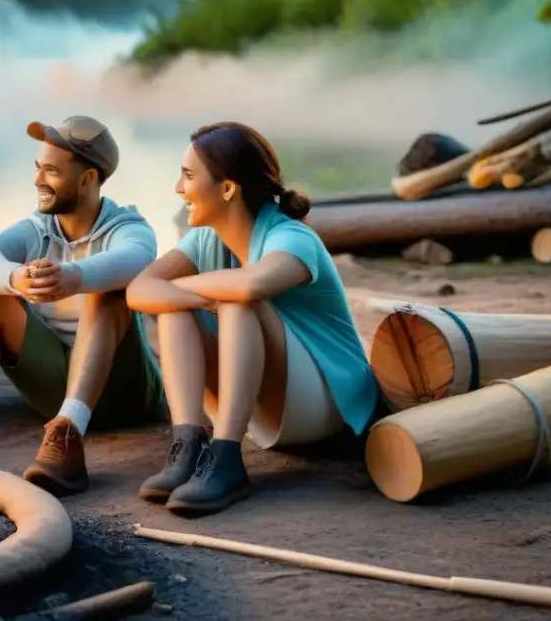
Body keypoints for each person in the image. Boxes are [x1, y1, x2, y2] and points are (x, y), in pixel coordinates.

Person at [0, 116, 167, 497]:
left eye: (52, 171)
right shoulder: (37, 229)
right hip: (52, 388)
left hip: (124, 393)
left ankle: (68, 434)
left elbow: (136, 259)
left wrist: (74, 277)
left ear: (88, 178)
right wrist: (15, 278)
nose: (39, 180)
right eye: (38, 168)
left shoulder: (127, 227)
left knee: (107, 291)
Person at [125, 122, 379, 515]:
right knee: (177, 307)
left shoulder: (291, 237)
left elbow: (251, 285)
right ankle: (188, 446)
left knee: (237, 300)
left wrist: (198, 291)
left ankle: (226, 456)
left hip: (327, 405)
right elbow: (138, 291)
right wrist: (196, 296)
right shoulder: (206, 239)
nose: (178, 188)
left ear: (227, 188)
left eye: (188, 176)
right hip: (267, 408)